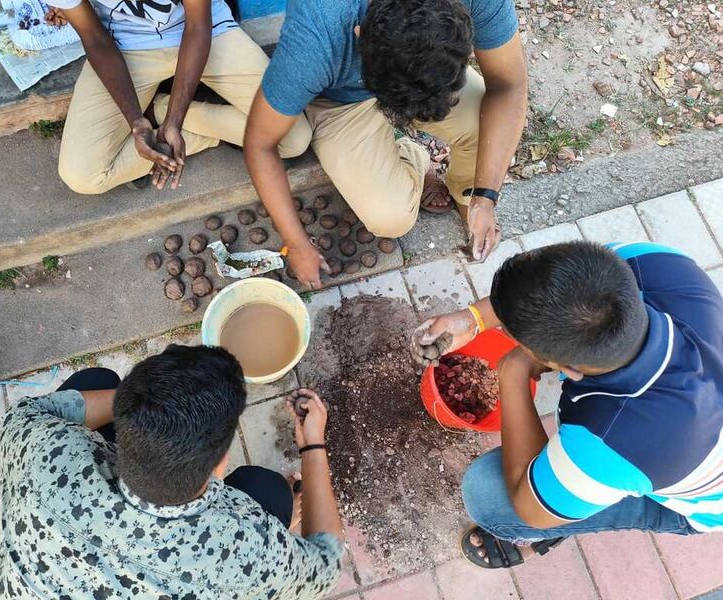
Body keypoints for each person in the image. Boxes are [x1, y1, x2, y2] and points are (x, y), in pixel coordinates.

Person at [411, 241, 723, 568]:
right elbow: (555, 286)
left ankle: (565, 513)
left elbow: (527, 505)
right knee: (584, 472)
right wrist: (471, 318)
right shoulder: (654, 262)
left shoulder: (609, 439)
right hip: (687, 427)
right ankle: (572, 493)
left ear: (564, 367)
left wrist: (512, 371)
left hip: (704, 501)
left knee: (489, 493)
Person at [0, 345, 343, 598]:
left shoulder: (44, 450)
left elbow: (34, 412)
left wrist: (141, 403)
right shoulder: (241, 552)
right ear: (219, 463)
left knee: (94, 380)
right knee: (270, 493)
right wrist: (312, 445)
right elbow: (327, 563)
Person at [244, 0, 527, 289]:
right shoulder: (317, 35)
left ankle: (467, 199)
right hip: (340, 100)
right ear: (358, 34)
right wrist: (296, 243)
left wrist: (485, 195)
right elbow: (260, 144)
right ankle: (409, 154)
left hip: (426, 80)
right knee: (391, 218)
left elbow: (509, 85)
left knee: (484, 126)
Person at [48, 0, 311, 194]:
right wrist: (136, 122)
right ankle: (163, 124)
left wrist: (173, 119)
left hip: (209, 30)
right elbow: (95, 39)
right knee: (82, 175)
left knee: (294, 138)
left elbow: (198, 25)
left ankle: (159, 112)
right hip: (124, 43)